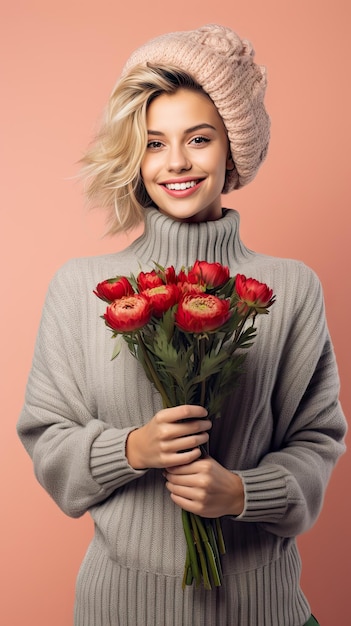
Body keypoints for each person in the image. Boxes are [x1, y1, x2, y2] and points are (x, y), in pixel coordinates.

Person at [17, 24, 347, 626]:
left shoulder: (291, 287)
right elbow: (47, 438)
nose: (176, 163)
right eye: (153, 143)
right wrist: (131, 449)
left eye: (199, 139)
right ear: (134, 155)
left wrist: (243, 493)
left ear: (232, 149)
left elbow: (318, 440)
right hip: (119, 612)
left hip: (262, 611)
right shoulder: (79, 287)